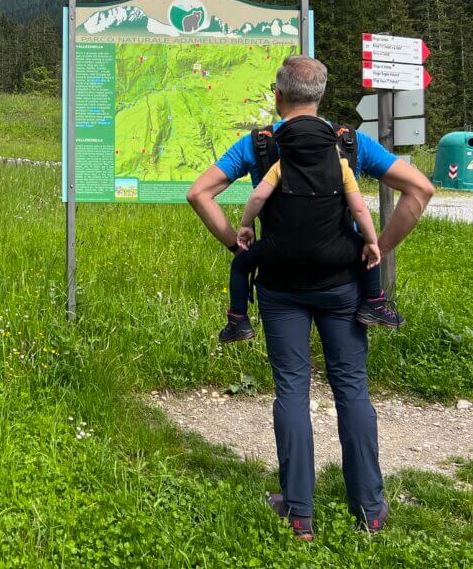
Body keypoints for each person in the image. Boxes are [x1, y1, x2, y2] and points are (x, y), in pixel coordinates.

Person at [186, 55, 433, 540]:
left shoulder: (259, 146)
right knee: (351, 389)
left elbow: (199, 194)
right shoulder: (348, 143)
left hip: (279, 290)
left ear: (277, 95)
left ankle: (299, 511)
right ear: (320, 96)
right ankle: (371, 509)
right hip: (343, 286)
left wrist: (237, 243)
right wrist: (377, 248)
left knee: (293, 392)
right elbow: (419, 190)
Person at [218, 120, 396, 345]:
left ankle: (237, 320)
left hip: (280, 253)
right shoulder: (342, 167)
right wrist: (371, 242)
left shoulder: (280, 166)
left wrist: (245, 225)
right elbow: (359, 209)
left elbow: (257, 197)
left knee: (241, 264)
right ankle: (374, 303)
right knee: (369, 252)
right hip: (335, 253)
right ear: (333, 145)